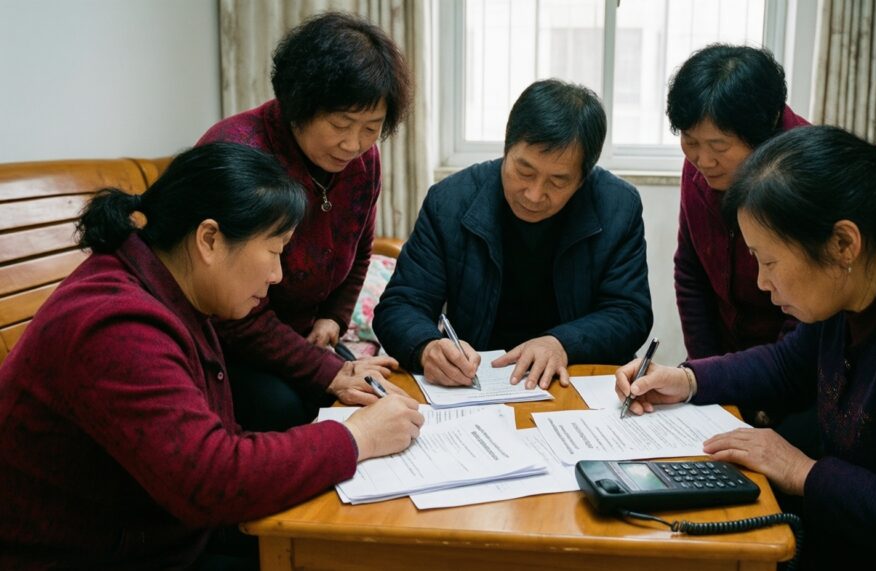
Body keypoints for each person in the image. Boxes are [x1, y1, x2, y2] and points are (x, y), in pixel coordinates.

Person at [615, 126, 876, 569]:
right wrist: (688, 379)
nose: (761, 282)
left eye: (770, 262)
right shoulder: (857, 281)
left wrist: (803, 473)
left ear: (843, 242)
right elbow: (789, 366)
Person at [0, 143, 424, 569]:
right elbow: (211, 481)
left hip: (161, 531)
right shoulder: (117, 326)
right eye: (275, 250)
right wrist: (358, 437)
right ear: (209, 240)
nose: (277, 275)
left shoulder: (170, 288)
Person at [197, 12, 413, 431]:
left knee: (382, 394)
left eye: (371, 128)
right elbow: (235, 316)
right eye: (340, 125)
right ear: (300, 104)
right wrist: (323, 370)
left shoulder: (363, 161)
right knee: (289, 408)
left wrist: (332, 319)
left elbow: (360, 248)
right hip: (227, 345)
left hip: (303, 340)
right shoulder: (241, 153)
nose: (354, 144)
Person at [374, 79, 653, 390]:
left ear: (583, 178)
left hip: (574, 380)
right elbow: (400, 305)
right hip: (477, 383)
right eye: (524, 171)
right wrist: (427, 347)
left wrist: (561, 342)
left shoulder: (617, 206)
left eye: (558, 181)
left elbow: (630, 313)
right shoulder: (450, 202)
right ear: (506, 148)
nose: (534, 194)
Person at [667, 44, 814, 451]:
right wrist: (708, 377)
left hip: (796, 379)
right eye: (690, 141)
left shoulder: (805, 172)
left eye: (718, 146)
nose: (701, 160)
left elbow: (806, 318)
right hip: (727, 373)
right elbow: (690, 269)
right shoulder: (701, 162)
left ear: (762, 131)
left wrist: (759, 399)